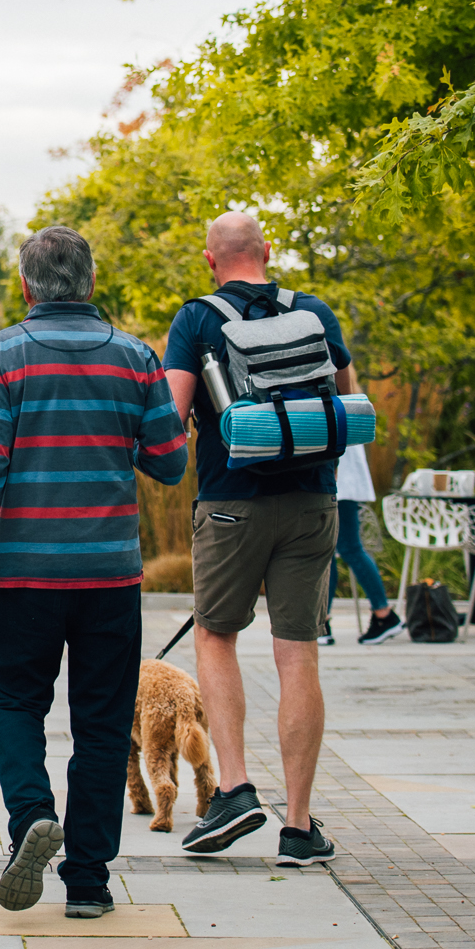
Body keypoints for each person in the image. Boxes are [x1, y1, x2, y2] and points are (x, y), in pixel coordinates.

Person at [0, 226, 187, 917]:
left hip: (25, 576)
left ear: (26, 286)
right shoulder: (135, 357)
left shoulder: (4, 354)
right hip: (111, 576)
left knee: (16, 703)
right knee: (104, 724)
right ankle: (88, 881)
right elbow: (170, 462)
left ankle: (31, 819)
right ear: (91, 281)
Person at [161, 211, 354, 867]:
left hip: (230, 503)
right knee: (297, 653)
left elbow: (171, 415)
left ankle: (237, 789)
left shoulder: (198, 318)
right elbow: (346, 405)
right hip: (311, 501)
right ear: (267, 252)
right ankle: (298, 826)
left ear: (210, 260)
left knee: (217, 637)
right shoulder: (316, 312)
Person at [326, 445, 404, 646]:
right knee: (334, 550)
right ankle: (382, 614)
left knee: (341, 549)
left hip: (337, 479)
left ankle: (383, 614)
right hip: (340, 479)